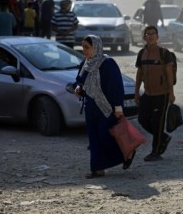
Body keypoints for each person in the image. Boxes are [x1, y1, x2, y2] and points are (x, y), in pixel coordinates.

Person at [74, 35, 134, 179]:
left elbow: (116, 87)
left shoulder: (107, 63)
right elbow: (80, 81)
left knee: (105, 136)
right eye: (83, 47)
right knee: (94, 138)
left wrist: (118, 108)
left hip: (106, 108)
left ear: (96, 47)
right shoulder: (86, 63)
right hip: (91, 107)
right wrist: (78, 88)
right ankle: (97, 168)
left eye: (87, 47)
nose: (84, 50)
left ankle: (127, 153)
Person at [135, 25, 175, 162]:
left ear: (157, 37)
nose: (150, 36)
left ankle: (156, 152)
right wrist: (136, 93)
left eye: (153, 34)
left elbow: (169, 73)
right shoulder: (142, 53)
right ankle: (163, 137)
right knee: (142, 119)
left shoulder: (164, 53)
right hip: (147, 94)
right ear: (144, 37)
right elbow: (139, 74)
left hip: (161, 94)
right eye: (148, 34)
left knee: (158, 123)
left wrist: (171, 92)